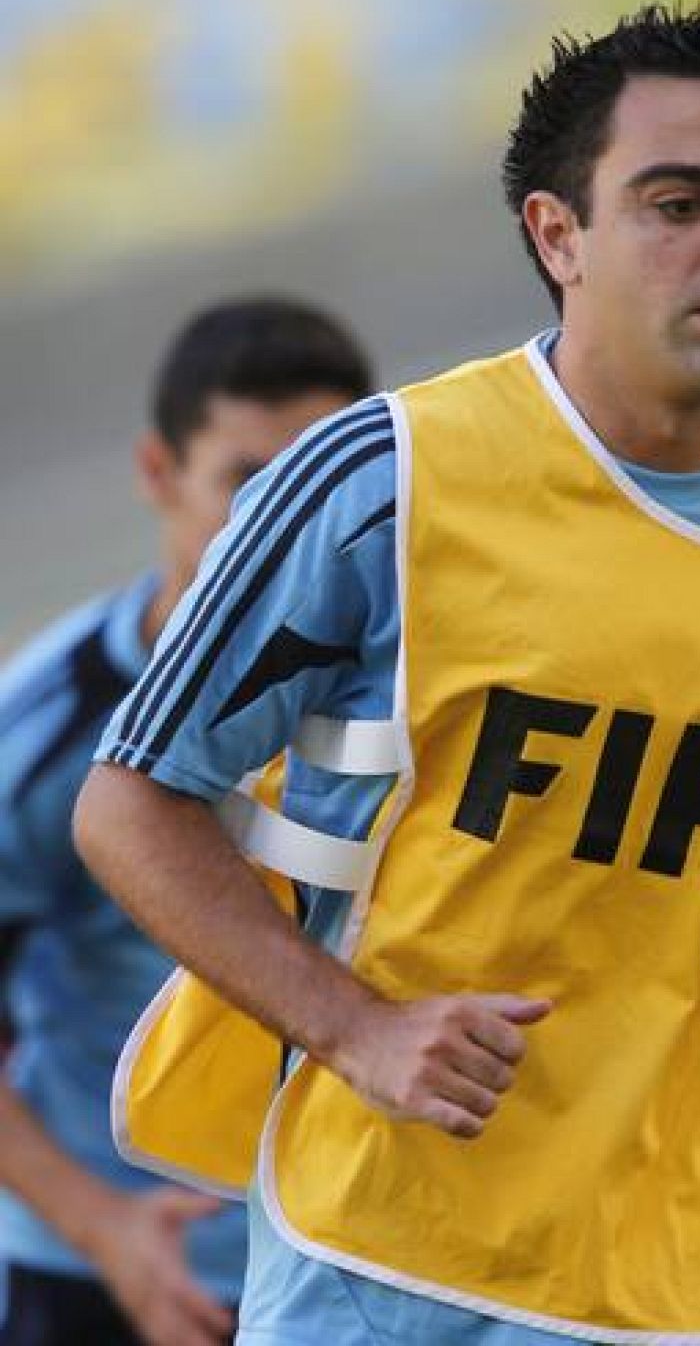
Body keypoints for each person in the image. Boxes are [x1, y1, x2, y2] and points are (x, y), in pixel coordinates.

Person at [75, 1, 700, 1346]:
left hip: (699, 1282)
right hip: (386, 1264)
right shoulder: (382, 478)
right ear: (559, 236)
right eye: (677, 203)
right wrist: (357, 1030)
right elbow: (131, 799)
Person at [0, 296, 375, 1346]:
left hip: (353, 1268)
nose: (286, 528)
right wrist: (107, 1229)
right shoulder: (46, 726)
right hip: (109, 1272)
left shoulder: (420, 689)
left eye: (317, 485)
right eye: (248, 485)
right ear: (158, 473)